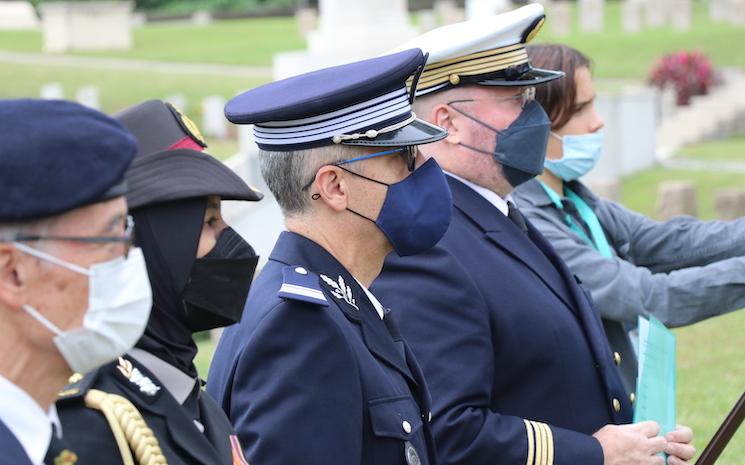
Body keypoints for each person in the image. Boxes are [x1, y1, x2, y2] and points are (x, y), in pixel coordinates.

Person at [371, 6, 696, 465]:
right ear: (448, 124)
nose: (536, 116)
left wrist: (639, 442)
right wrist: (596, 453)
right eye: (518, 101)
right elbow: (450, 431)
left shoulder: (502, 211)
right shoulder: (429, 245)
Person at [206, 48, 453, 465]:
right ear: (335, 187)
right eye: (403, 157)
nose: (425, 168)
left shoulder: (336, 304)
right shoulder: (300, 329)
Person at [512, 43, 745, 394]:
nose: (598, 121)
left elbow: (671, 242)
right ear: (535, 124)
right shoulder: (530, 223)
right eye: (581, 109)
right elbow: (648, 297)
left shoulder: (576, 199)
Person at [48, 100, 263, 465]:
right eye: (209, 223)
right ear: (153, 246)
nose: (233, 243)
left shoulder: (194, 398)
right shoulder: (92, 421)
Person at [0, 99, 152, 465]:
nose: (128, 257)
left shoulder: (39, 439)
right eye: (109, 237)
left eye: (125, 230)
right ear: (13, 273)